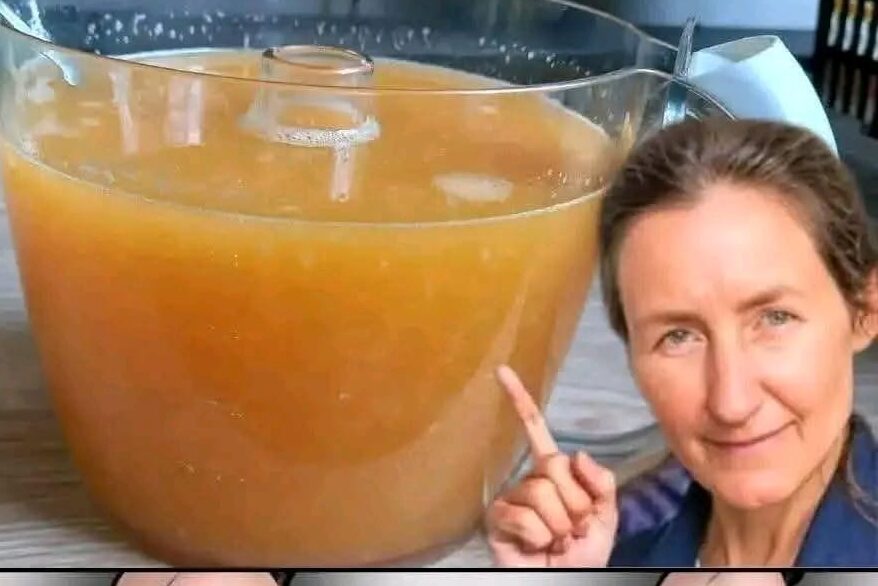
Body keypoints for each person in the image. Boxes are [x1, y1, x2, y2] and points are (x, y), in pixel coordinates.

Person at [485, 118, 878, 567]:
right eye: (678, 337)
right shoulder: (617, 553)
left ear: (865, 311)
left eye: (775, 318)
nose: (731, 403)